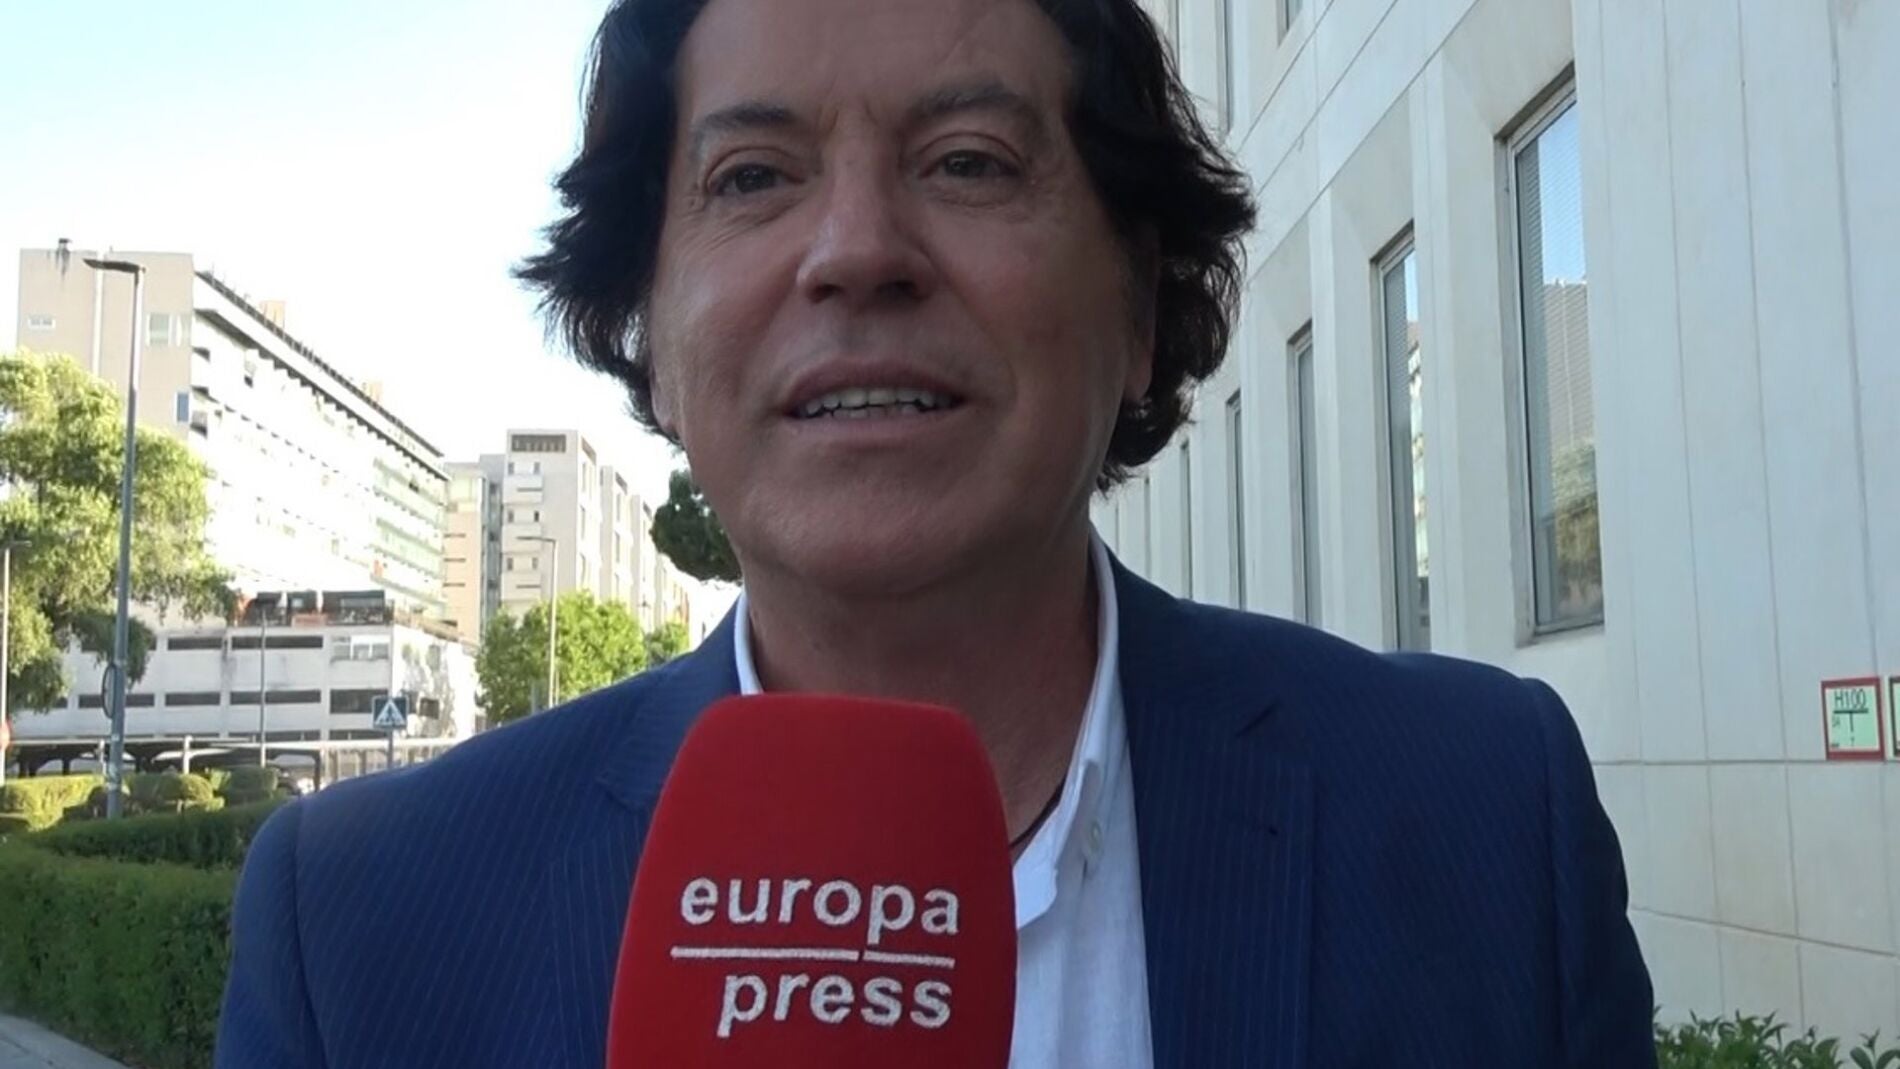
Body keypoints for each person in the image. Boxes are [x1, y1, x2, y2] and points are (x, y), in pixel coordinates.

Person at [215, 0, 1655, 1065]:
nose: (856, 251)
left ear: (1138, 308)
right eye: (752, 177)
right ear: (647, 335)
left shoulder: (1481, 821)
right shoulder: (362, 924)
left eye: (967, 161)